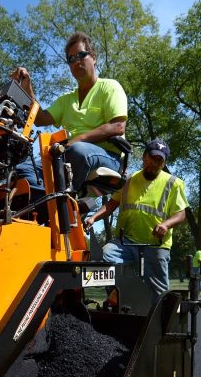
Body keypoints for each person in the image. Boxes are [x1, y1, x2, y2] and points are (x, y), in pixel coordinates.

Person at [10, 31, 128, 197]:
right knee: (22, 170)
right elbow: (40, 118)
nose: (76, 62)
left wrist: (77, 140)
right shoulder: (67, 100)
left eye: (81, 55)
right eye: (71, 59)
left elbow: (118, 126)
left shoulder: (109, 87)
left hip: (108, 156)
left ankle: (62, 202)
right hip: (69, 154)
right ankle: (44, 204)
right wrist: (27, 87)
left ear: (93, 57)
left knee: (77, 152)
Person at [83, 139, 188, 301]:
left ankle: (159, 321)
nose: (154, 163)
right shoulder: (129, 180)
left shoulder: (173, 183)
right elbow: (111, 205)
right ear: (144, 157)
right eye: (152, 158)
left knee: (158, 291)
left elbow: (181, 215)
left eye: (159, 160)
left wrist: (166, 225)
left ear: (164, 162)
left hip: (155, 244)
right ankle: (118, 299)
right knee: (104, 259)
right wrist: (93, 218)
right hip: (125, 243)